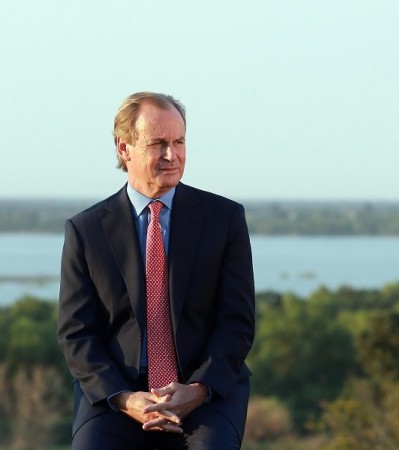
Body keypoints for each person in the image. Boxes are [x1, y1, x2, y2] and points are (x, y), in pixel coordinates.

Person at [57, 92, 255, 449]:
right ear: (124, 148)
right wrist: (126, 398)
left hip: (205, 393)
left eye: (179, 142)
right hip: (115, 394)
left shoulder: (224, 220)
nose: (172, 155)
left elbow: (237, 323)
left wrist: (196, 390)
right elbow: (76, 334)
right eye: (158, 143)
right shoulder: (85, 231)